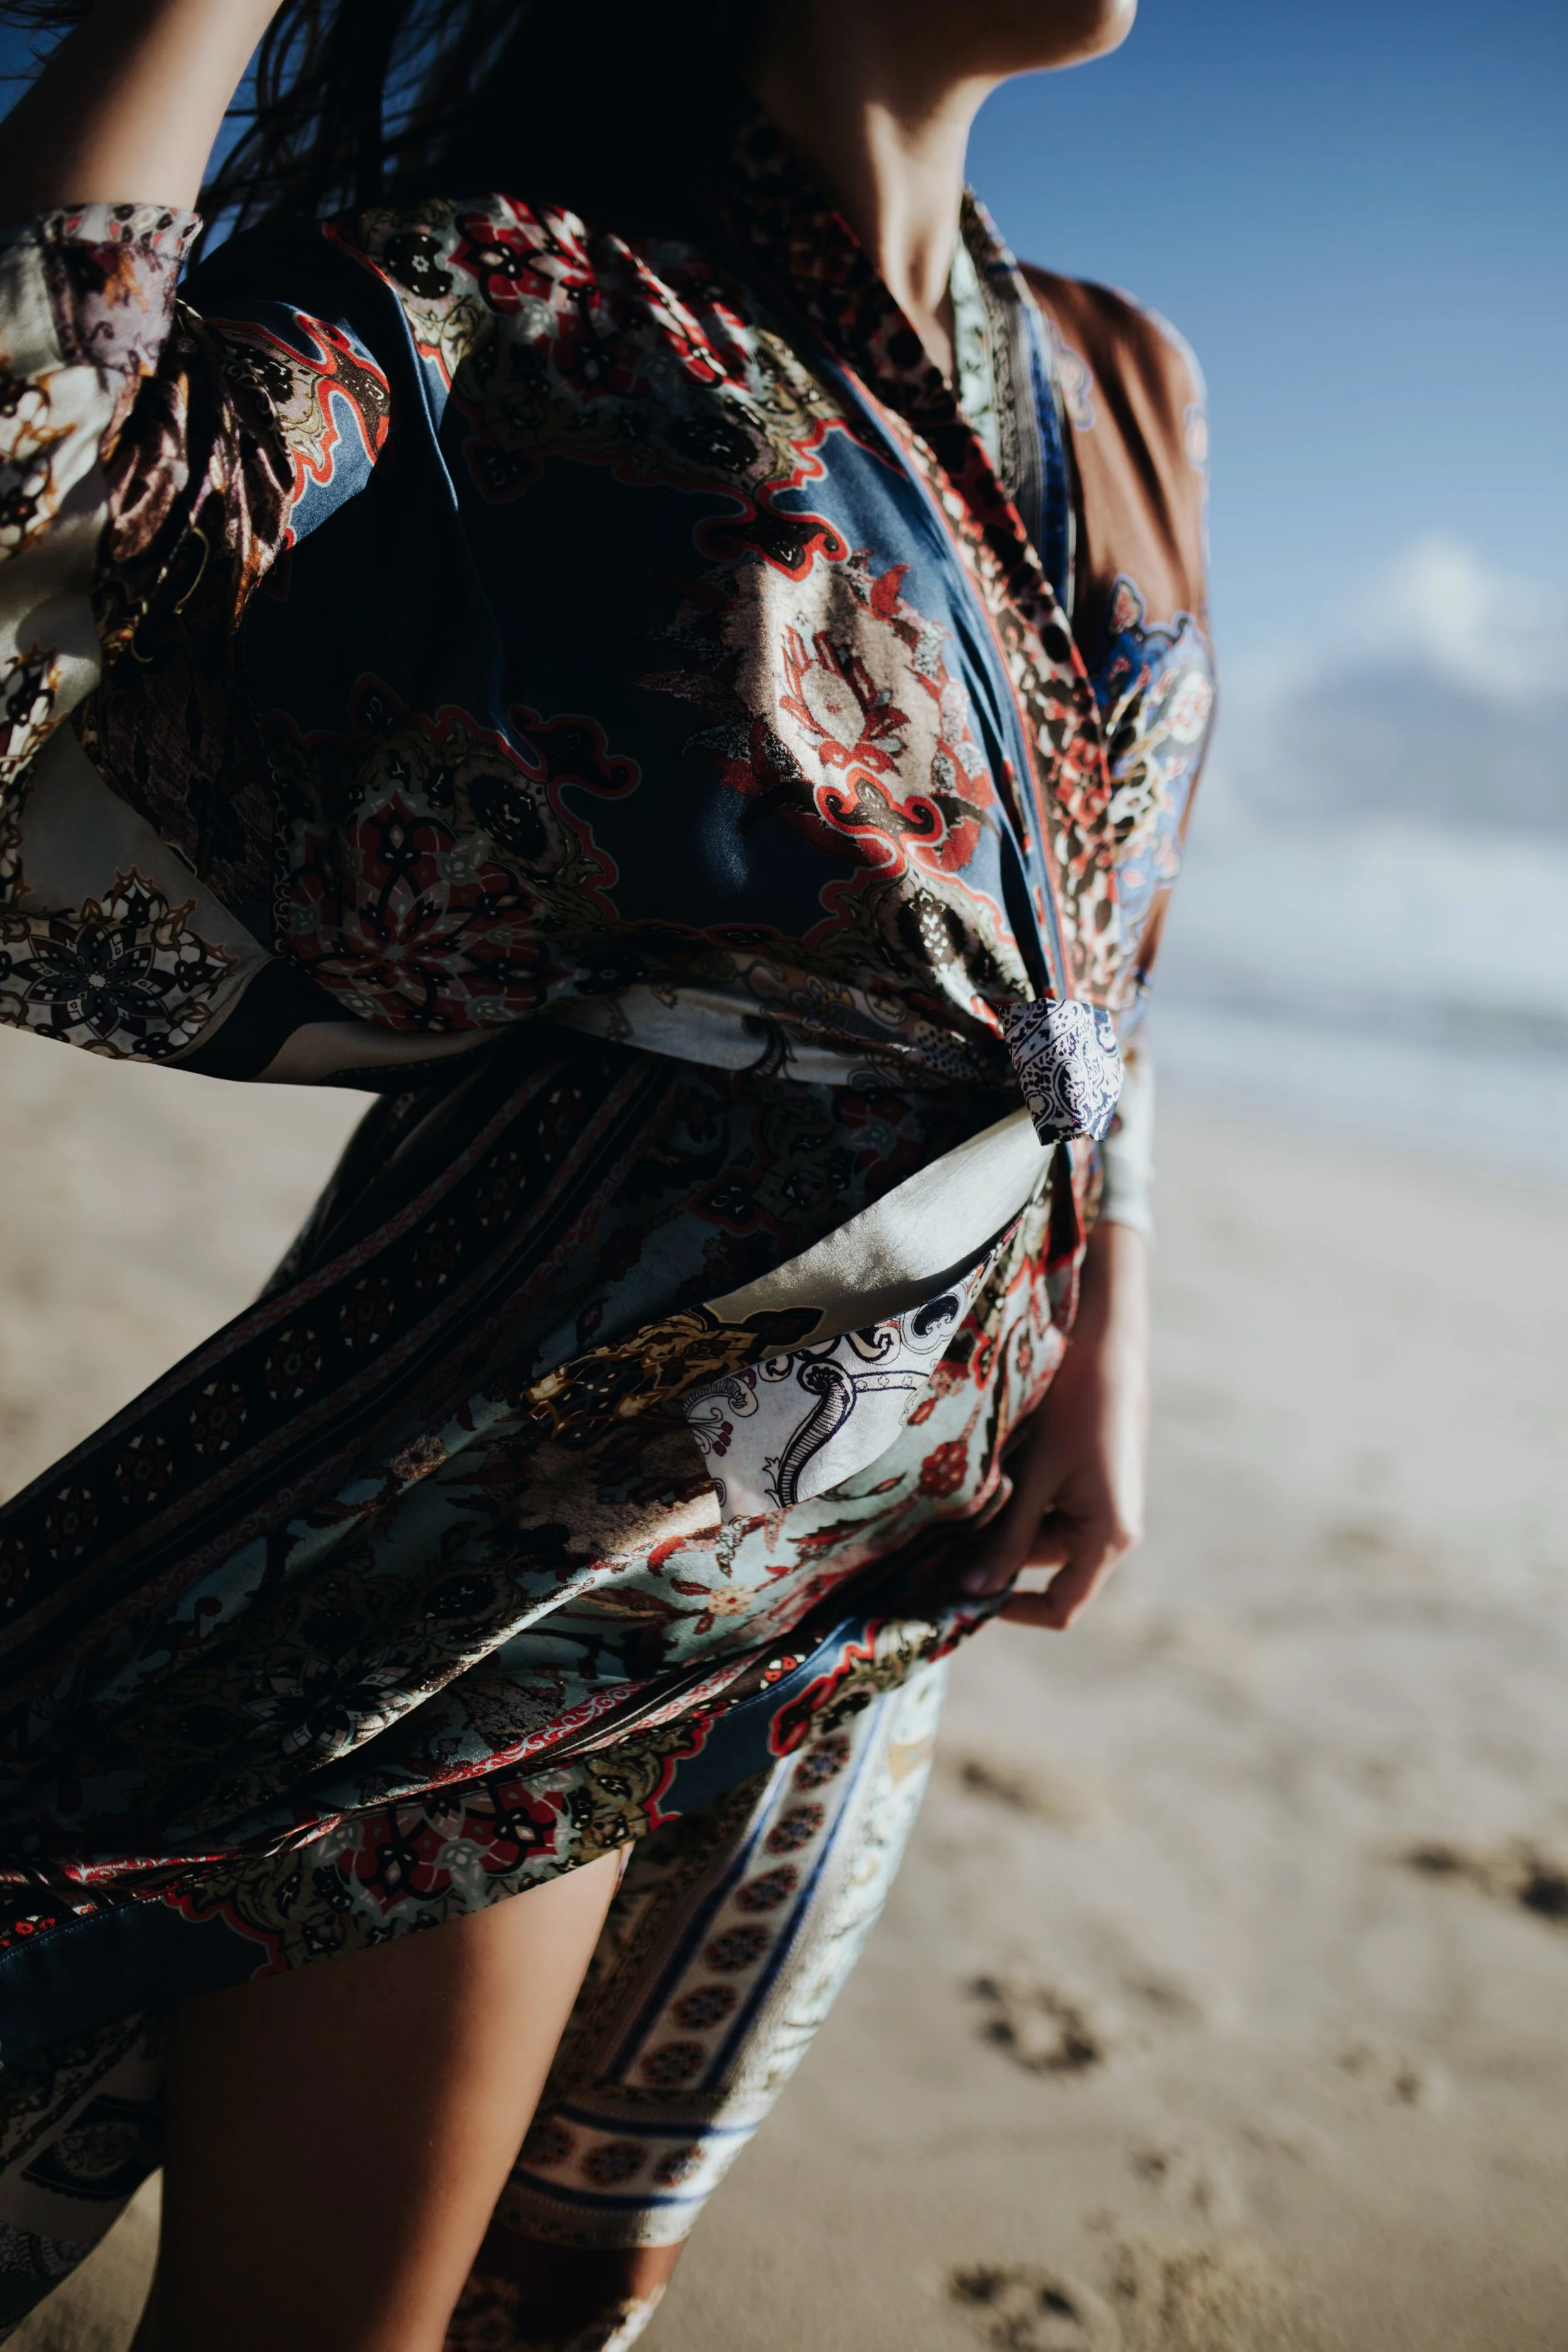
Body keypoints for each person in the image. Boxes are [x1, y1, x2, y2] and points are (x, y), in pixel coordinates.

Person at [0, 0, 1212, 2342]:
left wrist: (1108, 1330)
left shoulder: (1122, 378)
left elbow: (1117, 913)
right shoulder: (516, 290)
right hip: (544, 1460)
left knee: (536, 2311)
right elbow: (46, 477)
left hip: (912, 1497)